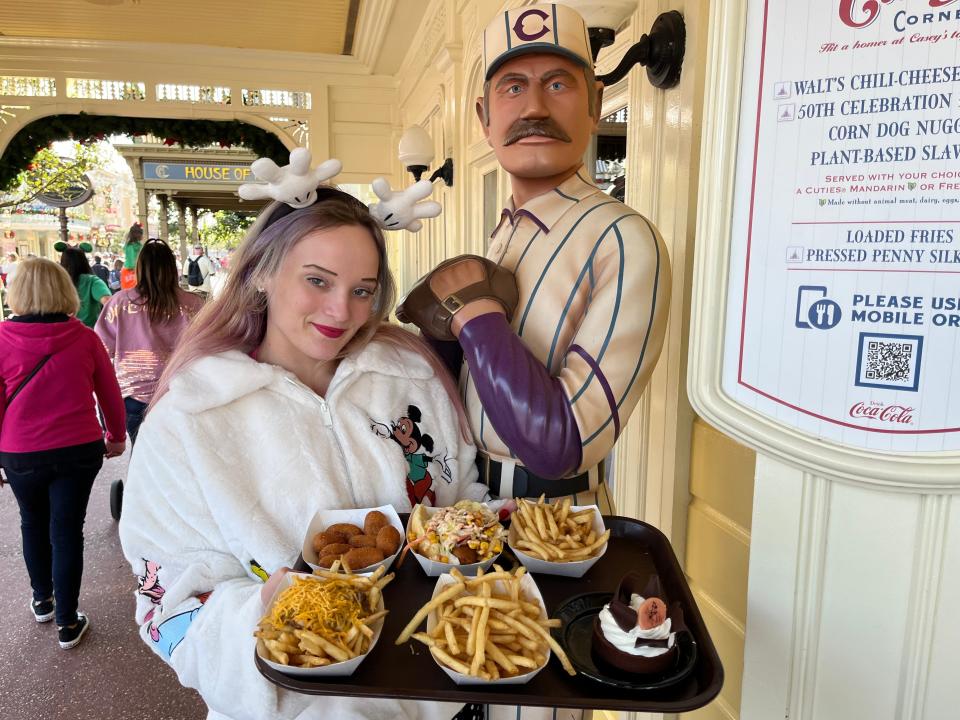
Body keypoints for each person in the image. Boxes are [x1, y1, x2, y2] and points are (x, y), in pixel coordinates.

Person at [118, 184, 494, 720]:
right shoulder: (191, 419)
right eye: (317, 280)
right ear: (261, 274)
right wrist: (264, 611)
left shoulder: (410, 379)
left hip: (444, 691)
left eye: (363, 290)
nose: (342, 310)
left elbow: (462, 495)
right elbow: (167, 604)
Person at [400, 3, 671, 516]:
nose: (534, 109)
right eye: (513, 87)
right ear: (484, 117)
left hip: (557, 523)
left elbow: (561, 443)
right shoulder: (504, 231)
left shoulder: (623, 238)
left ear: (594, 103)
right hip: (468, 504)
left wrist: (475, 319)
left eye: (558, 84)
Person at [0, 258, 125, 649]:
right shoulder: (85, 337)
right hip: (78, 448)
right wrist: (117, 435)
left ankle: (42, 600)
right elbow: (109, 391)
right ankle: (68, 622)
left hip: (20, 451)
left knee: (32, 523)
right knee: (67, 531)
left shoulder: (1, 338)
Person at [95, 238, 204, 445]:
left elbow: (103, 348)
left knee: (142, 458)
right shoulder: (194, 303)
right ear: (172, 268)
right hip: (180, 392)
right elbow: (206, 348)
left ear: (140, 268)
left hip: (133, 395)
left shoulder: (119, 302)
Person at [57, 242, 112, 328]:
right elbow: (108, 301)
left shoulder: (56, 282)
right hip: (89, 332)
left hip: (61, 332)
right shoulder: (92, 281)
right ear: (84, 261)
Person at [121, 223, 143, 290]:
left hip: (128, 271)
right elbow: (134, 261)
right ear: (137, 234)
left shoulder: (128, 245)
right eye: (141, 233)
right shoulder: (137, 246)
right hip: (135, 271)